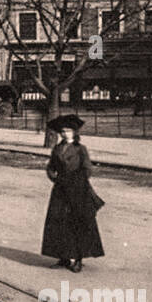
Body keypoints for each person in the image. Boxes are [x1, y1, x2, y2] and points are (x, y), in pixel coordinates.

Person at [40, 114, 105, 273]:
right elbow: (51, 167)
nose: (65, 133)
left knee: (77, 222)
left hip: (77, 190)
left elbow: (88, 169)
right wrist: (53, 177)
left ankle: (78, 258)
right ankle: (63, 257)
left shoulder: (80, 149)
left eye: (68, 131)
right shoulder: (57, 148)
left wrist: (76, 181)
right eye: (62, 131)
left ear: (74, 132)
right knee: (58, 222)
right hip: (60, 190)